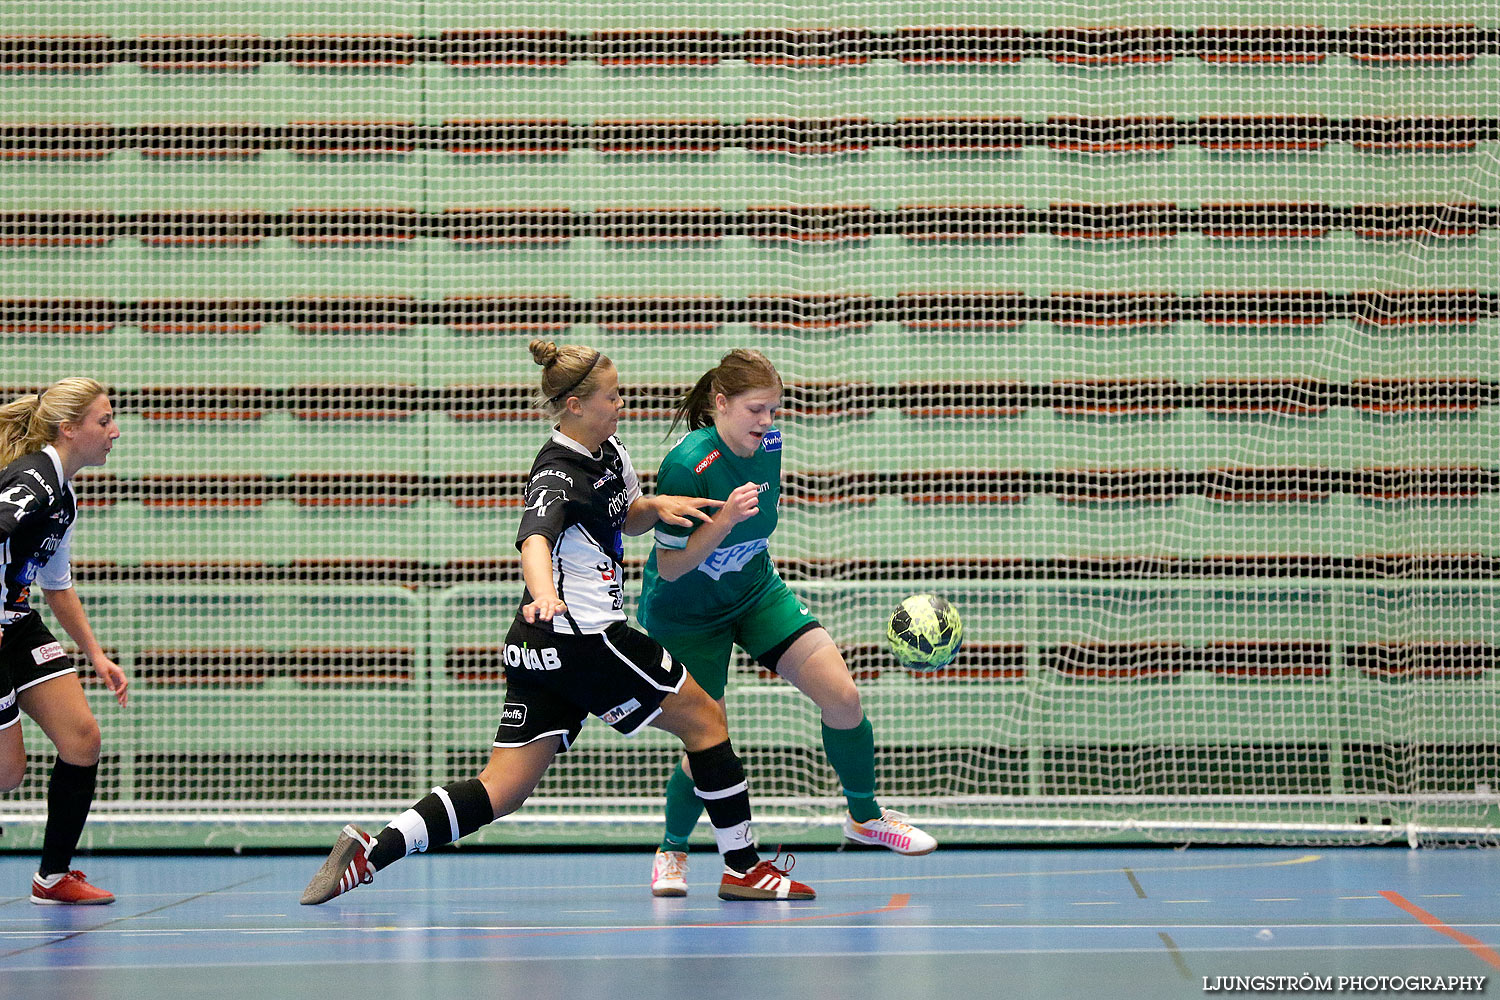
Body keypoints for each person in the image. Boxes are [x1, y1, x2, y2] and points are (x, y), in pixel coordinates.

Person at [301, 340, 814, 905]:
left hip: (539, 649)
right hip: (585, 637)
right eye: (612, 397)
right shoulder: (558, 471)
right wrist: (545, 592)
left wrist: (659, 506)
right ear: (574, 405)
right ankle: (744, 868)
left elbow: (625, 514)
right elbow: (536, 537)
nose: (622, 404)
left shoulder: (610, 452)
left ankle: (372, 852)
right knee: (707, 721)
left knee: (503, 789)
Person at [639, 349, 936, 897]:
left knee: (843, 696)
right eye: (756, 409)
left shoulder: (768, 444)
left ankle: (864, 818)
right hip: (685, 615)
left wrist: (739, 533)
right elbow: (671, 567)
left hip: (754, 591)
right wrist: (724, 517)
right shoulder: (686, 465)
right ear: (720, 404)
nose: (767, 422)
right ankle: (672, 848)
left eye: (774, 410)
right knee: (709, 741)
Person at [0, 378, 129, 904]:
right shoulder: (32, 483)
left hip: (16, 621)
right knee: (8, 773)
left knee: (81, 739)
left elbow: (56, 583)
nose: (115, 431)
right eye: (104, 421)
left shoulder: (64, 496)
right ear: (68, 429)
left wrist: (95, 654)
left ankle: (52, 877)